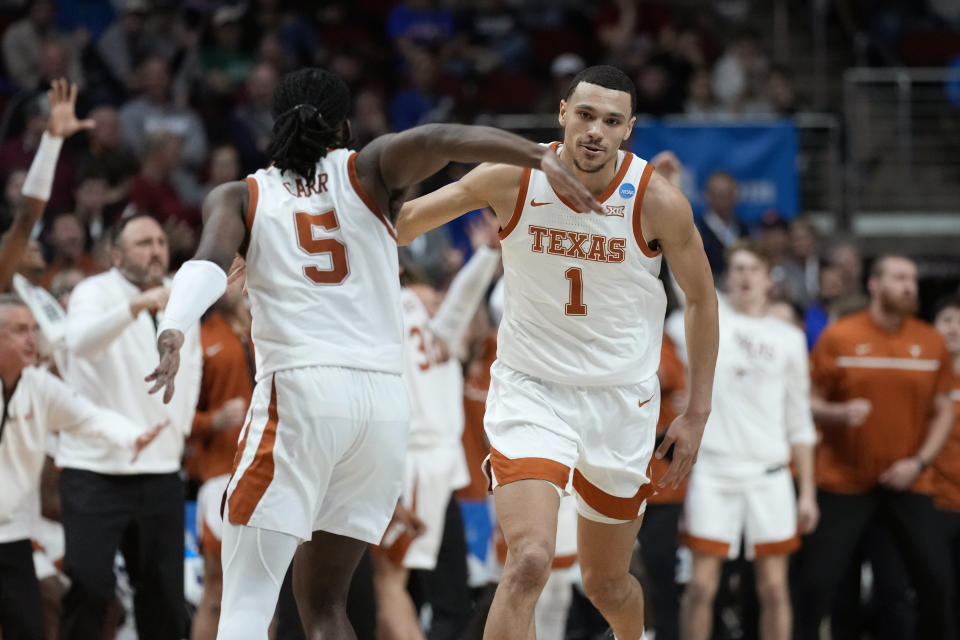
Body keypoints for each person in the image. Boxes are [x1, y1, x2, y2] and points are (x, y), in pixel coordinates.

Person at [144, 66, 597, 640]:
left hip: (301, 394)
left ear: (272, 125)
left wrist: (174, 326)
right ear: (346, 125)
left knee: (247, 603)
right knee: (328, 606)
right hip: (383, 408)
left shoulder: (242, 194)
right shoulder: (367, 170)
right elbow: (439, 138)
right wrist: (539, 155)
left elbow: (208, 262)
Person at [396, 64, 719, 640]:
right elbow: (405, 223)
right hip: (531, 389)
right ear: (564, 114)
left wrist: (696, 412)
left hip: (620, 402)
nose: (596, 130)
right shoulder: (512, 177)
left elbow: (700, 299)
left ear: (628, 130)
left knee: (606, 585)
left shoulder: (656, 199)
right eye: (587, 115)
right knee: (528, 561)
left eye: (612, 121)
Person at [793, 255, 957, 640]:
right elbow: (807, 401)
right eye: (899, 278)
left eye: (913, 279)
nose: (909, 287)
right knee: (818, 584)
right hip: (843, 480)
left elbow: (944, 410)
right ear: (874, 285)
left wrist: (918, 463)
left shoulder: (929, 340)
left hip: (908, 481)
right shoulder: (842, 336)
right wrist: (837, 412)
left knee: (935, 582)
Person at [58, 213, 203, 640]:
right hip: (94, 470)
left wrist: (178, 435)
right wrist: (136, 305)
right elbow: (80, 343)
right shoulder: (93, 291)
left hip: (160, 474)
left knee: (164, 600)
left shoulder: (180, 299)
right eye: (143, 243)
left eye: (160, 241)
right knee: (89, 588)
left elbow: (192, 370)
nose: (156, 250)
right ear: (115, 254)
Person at [0, 294, 164, 640]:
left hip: (11, 533)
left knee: (29, 629)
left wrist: (132, 436)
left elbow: (88, 417)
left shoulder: (39, 386)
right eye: (19, 330)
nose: (32, 339)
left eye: (33, 329)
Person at [679, 241, 817, 640]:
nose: (744, 276)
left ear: (769, 278)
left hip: (769, 475)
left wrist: (806, 493)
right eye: (737, 268)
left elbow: (800, 419)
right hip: (714, 471)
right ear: (727, 276)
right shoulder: (708, 318)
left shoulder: (789, 338)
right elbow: (679, 276)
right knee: (702, 586)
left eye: (753, 269)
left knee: (774, 589)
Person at [375, 215, 502, 640]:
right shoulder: (439, 316)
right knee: (442, 592)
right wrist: (485, 254)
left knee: (388, 584)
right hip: (443, 464)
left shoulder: (386, 308)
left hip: (411, 462)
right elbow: (461, 305)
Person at [187, 275, 254, 640]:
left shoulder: (270, 325)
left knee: (265, 592)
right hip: (220, 475)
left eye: (234, 271)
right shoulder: (199, 336)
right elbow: (172, 414)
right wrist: (211, 420)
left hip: (271, 468)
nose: (228, 282)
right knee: (216, 590)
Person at [0, 79, 92, 291]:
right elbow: (26, 219)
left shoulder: (40, 296)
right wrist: (52, 140)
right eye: (22, 244)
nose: (34, 245)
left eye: (32, 244)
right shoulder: (3, 283)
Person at [931, 295, 960, 636]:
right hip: (932, 502)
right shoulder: (921, 377)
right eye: (948, 320)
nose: (955, 329)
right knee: (938, 594)